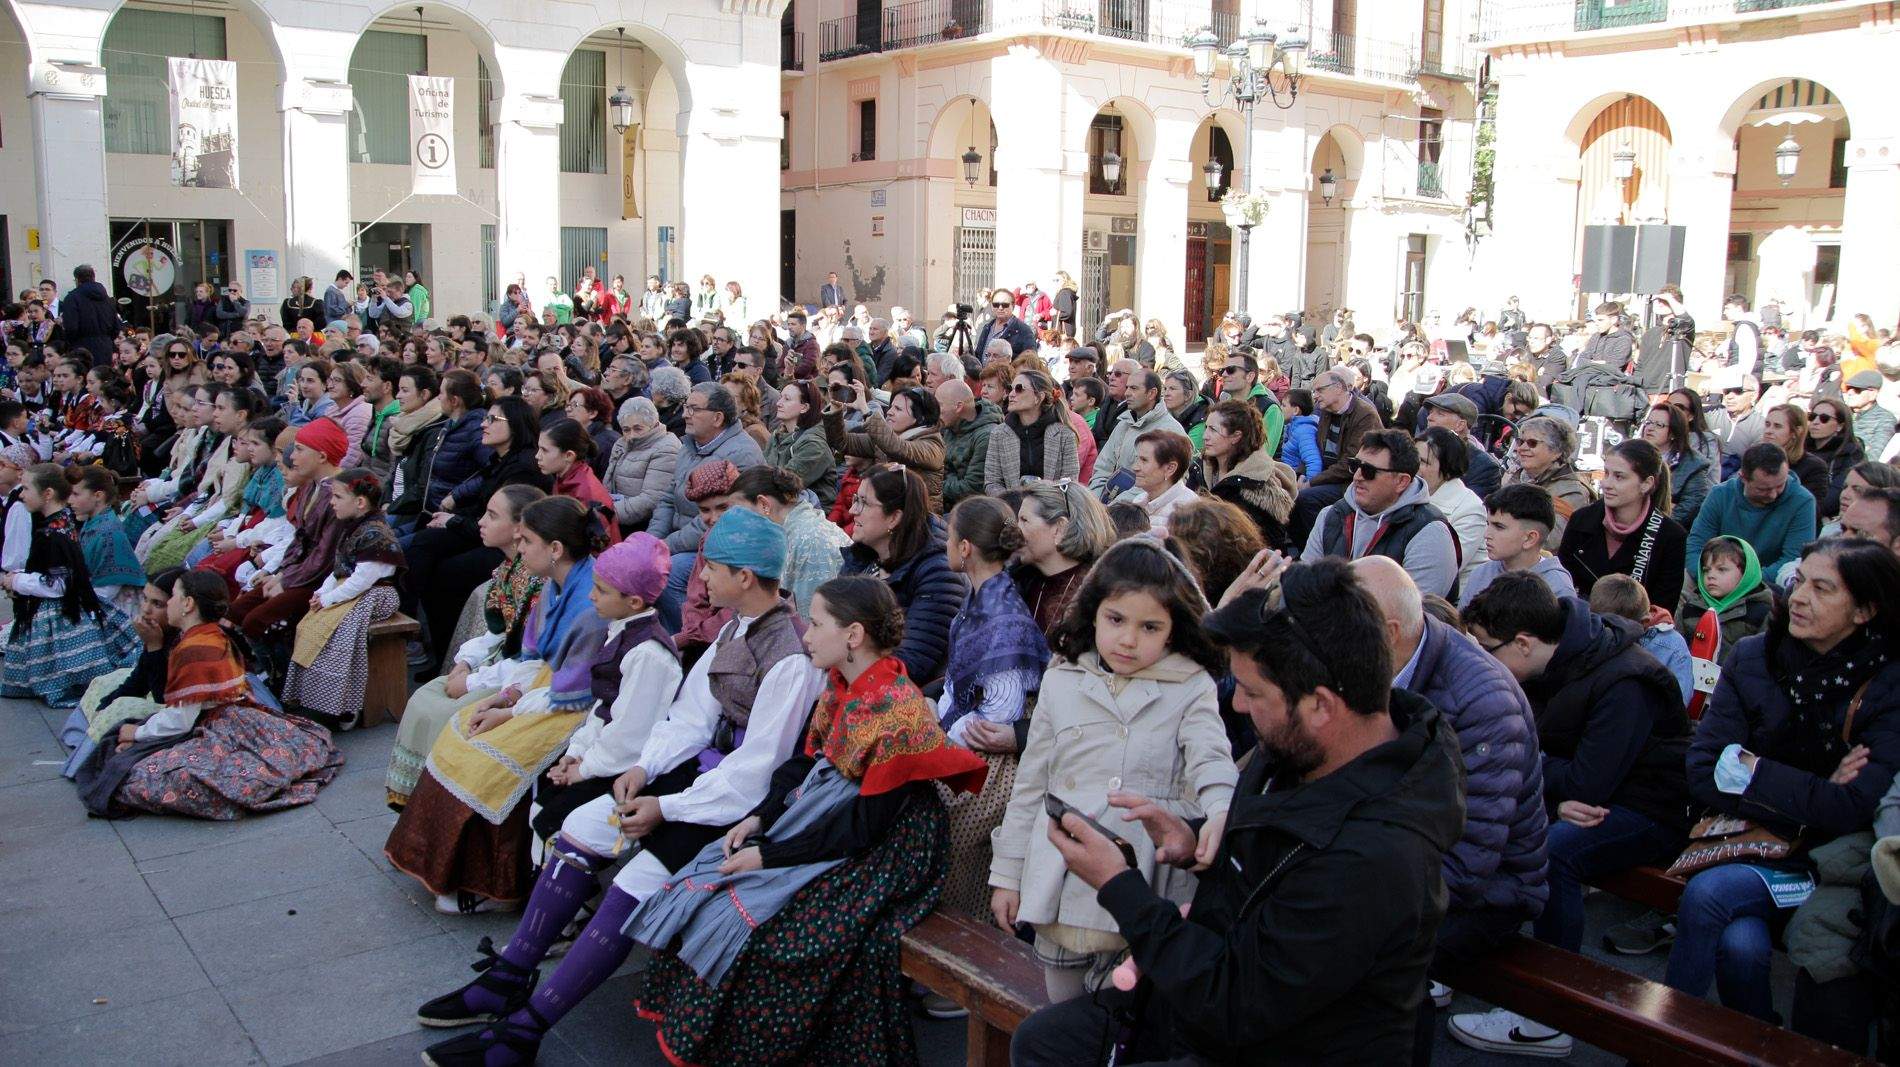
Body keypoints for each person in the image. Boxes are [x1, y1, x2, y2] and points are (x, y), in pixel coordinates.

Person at [411, 506, 826, 1064]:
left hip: (745, 805)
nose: (700, 577)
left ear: (744, 578)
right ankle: (510, 973)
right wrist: (645, 769)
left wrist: (667, 805)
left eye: (711, 568)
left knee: (640, 876)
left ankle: (527, 1030)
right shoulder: (736, 627)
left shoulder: (790, 660)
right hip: (704, 777)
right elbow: (692, 719)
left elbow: (755, 771)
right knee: (583, 825)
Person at [1012, 557, 1462, 1064]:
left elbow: (1236, 1002)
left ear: (1320, 706)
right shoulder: (1300, 752)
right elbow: (1264, 860)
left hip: (1272, 1039)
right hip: (1211, 1001)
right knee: (1043, 1043)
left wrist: (1120, 888)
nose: (1240, 708)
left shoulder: (1373, 859)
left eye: (1251, 692)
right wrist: (1197, 838)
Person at [1665, 539, 1900, 1042]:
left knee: (1711, 897)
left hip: (1829, 862)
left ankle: (1659, 1040)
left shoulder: (1887, 683)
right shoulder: (1755, 655)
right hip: (1747, 840)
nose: (1798, 597)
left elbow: (1853, 808)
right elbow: (1704, 767)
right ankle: (1757, 1044)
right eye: (1799, 582)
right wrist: (1815, 788)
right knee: (1741, 944)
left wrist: (1753, 769)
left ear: (1864, 610)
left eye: (1823, 588)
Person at [1454, 575, 1690, 1057]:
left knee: (1554, 851)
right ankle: (1450, 957)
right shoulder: (1554, 662)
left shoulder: (1627, 679)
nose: (1479, 660)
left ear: (1523, 643)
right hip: (1589, 795)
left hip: (1648, 809)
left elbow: (1586, 784)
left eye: (1485, 648)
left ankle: (1549, 1014)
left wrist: (1528, 766)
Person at [991, 538, 1236, 1001]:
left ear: (1173, 630)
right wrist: (1007, 873)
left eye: (1149, 626)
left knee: (1124, 1023)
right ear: (1093, 612)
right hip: (1063, 879)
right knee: (1059, 1018)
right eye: (1116, 619)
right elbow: (1032, 783)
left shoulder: (1189, 686)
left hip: (1142, 883)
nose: (1128, 639)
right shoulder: (1063, 679)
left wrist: (1221, 808)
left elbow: (1211, 757)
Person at [385, 496, 612, 914]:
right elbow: (532, 656)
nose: (520, 548)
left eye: (526, 541)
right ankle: (451, 869)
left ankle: (493, 884)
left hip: (578, 707)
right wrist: (505, 696)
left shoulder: (590, 602)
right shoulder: (554, 586)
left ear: (556, 549)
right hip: (545, 690)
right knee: (459, 733)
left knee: (487, 758)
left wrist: (508, 711)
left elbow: (574, 687)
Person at [1353, 556, 1549, 1031]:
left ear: (1390, 630)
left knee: (1359, 954)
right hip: (1400, 862)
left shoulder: (1482, 700)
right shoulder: (1377, 665)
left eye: (1342, 625)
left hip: (1493, 894)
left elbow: (1469, 863)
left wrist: (1352, 889)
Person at [75, 569, 342, 817]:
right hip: (231, 719)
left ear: (188, 604)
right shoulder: (207, 635)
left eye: (172, 598)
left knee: (137, 778)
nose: (168, 604)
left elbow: (181, 718)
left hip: (220, 726)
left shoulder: (195, 647)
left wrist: (139, 734)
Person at [385, 485, 546, 808]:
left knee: (447, 712)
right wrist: (467, 663)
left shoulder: (539, 580)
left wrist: (472, 681)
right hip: (503, 663)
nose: (481, 522)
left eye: (491, 515)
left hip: (525, 675)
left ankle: (439, 804)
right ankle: (416, 804)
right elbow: (497, 630)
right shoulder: (508, 569)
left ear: (519, 529)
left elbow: (534, 656)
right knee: (423, 700)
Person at [932, 497, 1053, 923]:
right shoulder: (983, 599)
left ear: (965, 549)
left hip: (992, 761)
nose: (944, 543)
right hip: (965, 734)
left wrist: (940, 736)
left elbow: (999, 712)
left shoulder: (1001, 616)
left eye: (948, 536)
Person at [528, 533, 684, 844]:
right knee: (540, 801)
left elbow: (629, 734)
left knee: (550, 818)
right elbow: (603, 707)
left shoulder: (648, 654)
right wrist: (575, 754)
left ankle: (560, 884)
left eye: (601, 590)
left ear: (634, 601)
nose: (591, 596)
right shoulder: (621, 632)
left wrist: (584, 770)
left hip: (626, 768)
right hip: (603, 756)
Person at [407, 397, 553, 667]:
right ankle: (420, 636)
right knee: (422, 543)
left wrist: (453, 521)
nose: (483, 425)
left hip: (509, 543)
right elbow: (484, 509)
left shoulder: (523, 469)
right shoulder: (500, 459)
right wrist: (451, 517)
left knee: (445, 574)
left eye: (492, 420)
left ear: (516, 425)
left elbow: (506, 524)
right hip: (488, 532)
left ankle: (444, 654)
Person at [1, 463, 144, 705]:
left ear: (47, 494)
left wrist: (18, 581)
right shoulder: (61, 523)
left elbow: (60, 584)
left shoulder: (55, 533)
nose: (21, 494)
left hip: (70, 609)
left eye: (25, 488)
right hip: (77, 603)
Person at [280, 468, 406, 728]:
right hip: (355, 590)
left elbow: (363, 578)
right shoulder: (353, 527)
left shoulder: (374, 532)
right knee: (310, 624)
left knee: (341, 633)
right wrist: (322, 594)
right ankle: (310, 698)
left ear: (360, 502)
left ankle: (345, 705)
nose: (332, 502)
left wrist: (330, 599)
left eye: (337, 497)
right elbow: (339, 571)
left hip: (377, 595)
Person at [839, 466, 965, 685]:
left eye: (864, 503)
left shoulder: (937, 573)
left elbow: (912, 663)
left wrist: (839, 664)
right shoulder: (862, 558)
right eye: (855, 500)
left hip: (900, 700)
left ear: (894, 517)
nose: (852, 511)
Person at [1302, 429, 1461, 599]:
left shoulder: (1430, 533)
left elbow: (1411, 616)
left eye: (1369, 471)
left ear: (1401, 481)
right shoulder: (1331, 515)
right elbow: (1305, 588)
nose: (1357, 476)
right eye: (1355, 465)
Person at [1557, 439, 1688, 616]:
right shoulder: (1582, 520)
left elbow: (1662, 610)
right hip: (1580, 625)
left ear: (1646, 484)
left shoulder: (1669, 536)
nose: (1606, 484)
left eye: (1619, 476)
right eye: (1606, 474)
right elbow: (1563, 584)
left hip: (1636, 633)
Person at [1686, 442, 1817, 584]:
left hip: (1767, 585)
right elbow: (1696, 545)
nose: (1773, 495)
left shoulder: (1802, 501)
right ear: (1743, 478)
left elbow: (1792, 560)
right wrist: (1707, 577)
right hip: (1714, 578)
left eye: (1780, 485)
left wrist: (1742, 584)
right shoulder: (1720, 495)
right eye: (1763, 489)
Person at [727, 465, 848, 616]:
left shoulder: (811, 541)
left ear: (764, 505)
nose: (737, 523)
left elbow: (812, 622)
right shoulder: (786, 535)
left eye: (739, 512)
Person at [1677, 535, 1776, 713]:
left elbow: (1765, 661)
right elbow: (1678, 650)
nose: (1711, 576)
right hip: (1690, 694)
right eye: (1706, 570)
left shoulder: (1761, 611)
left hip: (1735, 698)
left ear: (1746, 573)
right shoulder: (1690, 607)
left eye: (1722, 570)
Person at [1287, 369, 1383, 544]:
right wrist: (1300, 475)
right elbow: (1312, 449)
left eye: (1319, 390)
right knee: (1285, 491)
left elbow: (1351, 463)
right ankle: (1303, 551)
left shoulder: (1365, 414)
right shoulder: (1324, 411)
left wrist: (1311, 482)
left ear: (1338, 388)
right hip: (1327, 475)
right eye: (1314, 391)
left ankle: (1320, 551)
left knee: (1306, 499)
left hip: (1353, 480)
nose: (1315, 396)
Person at [1013, 480, 1114, 633]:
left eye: (1024, 520)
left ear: (1059, 529)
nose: (1015, 530)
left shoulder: (1094, 595)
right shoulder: (1022, 580)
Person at [829, 380, 947, 510]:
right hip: (884, 513)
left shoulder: (932, 445)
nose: (889, 412)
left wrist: (866, 411)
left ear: (919, 418)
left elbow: (898, 448)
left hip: (916, 520)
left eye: (898, 409)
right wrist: (835, 410)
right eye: (891, 406)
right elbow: (842, 442)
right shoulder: (886, 438)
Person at [1199, 398, 1298, 551]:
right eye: (1206, 428)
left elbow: (1267, 545)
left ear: (1236, 436)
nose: (1205, 436)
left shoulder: (1260, 486)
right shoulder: (1200, 469)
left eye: (1213, 430)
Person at [1459, 483, 1576, 610]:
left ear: (1530, 538)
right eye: (1488, 524)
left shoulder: (1557, 587)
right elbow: (1461, 626)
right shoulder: (1481, 573)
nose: (1486, 534)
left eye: (1499, 527)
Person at [1591, 573, 1695, 705]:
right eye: (1601, 626)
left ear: (1644, 623)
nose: (1608, 635)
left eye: (1614, 630)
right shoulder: (1589, 635)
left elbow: (1677, 705)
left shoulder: (1671, 646)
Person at [984, 367, 1081, 495]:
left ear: (1038, 397)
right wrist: (1011, 501)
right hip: (1011, 509)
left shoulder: (1064, 434)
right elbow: (992, 482)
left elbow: (1069, 483)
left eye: (1019, 389)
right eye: (1011, 389)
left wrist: (1045, 500)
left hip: (1051, 510)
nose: (1011, 394)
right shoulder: (999, 433)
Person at [1090, 370, 1185, 499]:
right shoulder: (1123, 424)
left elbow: (1167, 482)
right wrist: (1095, 501)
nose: (1127, 393)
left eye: (1134, 388)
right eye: (1127, 387)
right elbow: (1103, 467)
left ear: (1151, 393)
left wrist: (1116, 508)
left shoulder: (1171, 431)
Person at [1415, 425, 1489, 589]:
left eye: (1423, 462)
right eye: (1413, 458)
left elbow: (1443, 568)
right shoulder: (1406, 493)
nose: (1414, 467)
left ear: (1448, 470)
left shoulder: (1470, 509)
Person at [1503, 415, 1595, 542]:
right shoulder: (1514, 477)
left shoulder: (1572, 492)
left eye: (1532, 443)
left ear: (1556, 452)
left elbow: (1550, 540)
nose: (1522, 448)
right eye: (1520, 442)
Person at [67, 465, 144, 617]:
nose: (69, 500)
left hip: (114, 611)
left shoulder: (108, 532)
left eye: (75, 494)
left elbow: (108, 589)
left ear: (98, 496)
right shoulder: (94, 523)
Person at [534, 420, 620, 547]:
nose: (537, 456)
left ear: (569, 455)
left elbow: (599, 546)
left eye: (544, 450)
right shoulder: (566, 476)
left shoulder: (586, 493)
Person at [604, 396, 680, 534]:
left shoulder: (667, 449)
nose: (631, 435)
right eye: (626, 430)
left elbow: (652, 500)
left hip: (642, 527)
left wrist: (608, 514)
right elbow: (608, 482)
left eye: (638, 428)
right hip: (619, 518)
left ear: (654, 425)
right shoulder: (621, 443)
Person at [1639, 402, 1715, 529]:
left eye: (1659, 425)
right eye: (1648, 422)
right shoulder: (1631, 455)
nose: (1650, 428)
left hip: (1664, 531)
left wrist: (1653, 523)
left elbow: (1689, 507)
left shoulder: (1695, 464)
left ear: (1674, 433)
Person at [1420, 391, 1503, 500]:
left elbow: (1470, 506)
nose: (1429, 417)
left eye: (1440, 413)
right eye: (1430, 412)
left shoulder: (1484, 467)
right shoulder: (1418, 452)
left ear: (1460, 425)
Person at [1115, 429, 1198, 538]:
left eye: (1144, 460)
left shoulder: (1188, 512)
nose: (1134, 467)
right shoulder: (1139, 500)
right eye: (1137, 459)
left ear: (1170, 468)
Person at [937, 378, 1000, 510]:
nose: (935, 411)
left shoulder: (987, 436)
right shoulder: (948, 426)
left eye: (940, 405)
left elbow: (972, 489)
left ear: (959, 407)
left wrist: (933, 483)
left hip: (970, 512)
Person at [1764, 403, 1829, 519]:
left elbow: (1811, 509)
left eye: (1777, 426)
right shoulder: (1755, 458)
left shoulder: (1814, 467)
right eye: (1767, 425)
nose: (1769, 431)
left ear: (1796, 432)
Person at [1805, 396, 1864, 520]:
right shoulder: (1800, 448)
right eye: (1812, 416)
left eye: (1824, 419)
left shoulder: (1851, 454)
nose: (1815, 422)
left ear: (1839, 426)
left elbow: (1833, 498)